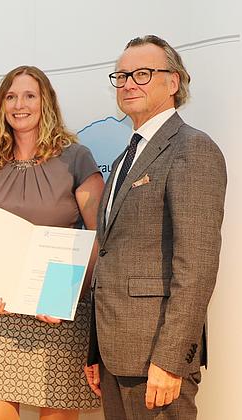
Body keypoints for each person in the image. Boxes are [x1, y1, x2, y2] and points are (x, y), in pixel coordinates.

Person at [84, 35, 227, 420]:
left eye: (143, 73)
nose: (129, 83)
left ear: (174, 82)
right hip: (117, 359)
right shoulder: (121, 161)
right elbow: (110, 259)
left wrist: (169, 360)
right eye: (122, 75)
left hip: (157, 360)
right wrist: (95, 351)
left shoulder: (192, 148)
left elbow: (196, 267)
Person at [0, 66, 104, 420]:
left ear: (46, 102)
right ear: (1, 106)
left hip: (59, 312)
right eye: (10, 96)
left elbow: (98, 237)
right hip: (2, 315)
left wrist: (62, 298)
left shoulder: (76, 158)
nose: (19, 104)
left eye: (29, 95)